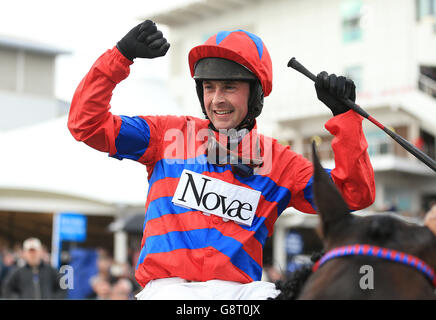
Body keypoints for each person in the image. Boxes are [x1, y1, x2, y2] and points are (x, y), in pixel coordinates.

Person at [68, 20, 375, 299]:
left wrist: (345, 117)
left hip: (242, 296)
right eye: (208, 87)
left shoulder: (281, 162)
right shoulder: (166, 134)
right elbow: (87, 124)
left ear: (255, 95)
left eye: (229, 87)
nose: (217, 100)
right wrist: (119, 57)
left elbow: (353, 194)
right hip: (166, 292)